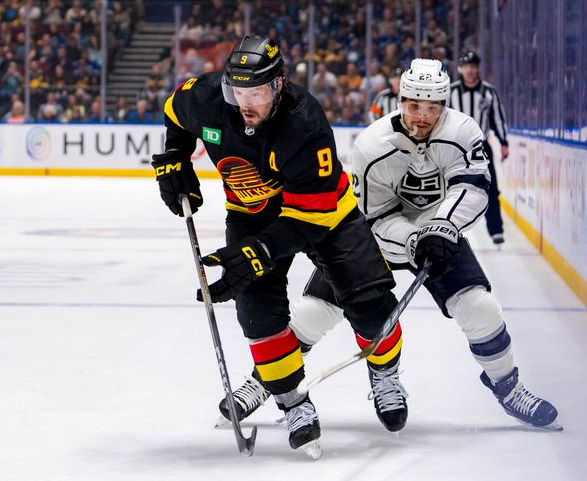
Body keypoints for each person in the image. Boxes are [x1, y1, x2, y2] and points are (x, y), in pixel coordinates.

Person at [221, 59, 561, 432]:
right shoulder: (373, 145)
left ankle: (508, 388)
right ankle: (265, 379)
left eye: (433, 108)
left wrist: (442, 226)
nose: (422, 116)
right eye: (415, 105)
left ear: (444, 105)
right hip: (378, 237)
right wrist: (417, 237)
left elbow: (475, 186)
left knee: (480, 308)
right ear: (401, 100)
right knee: (315, 313)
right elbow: (373, 218)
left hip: (441, 234)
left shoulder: (464, 132)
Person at [152, 36, 408, 458]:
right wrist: (176, 158)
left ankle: (385, 374)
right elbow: (173, 114)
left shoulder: (304, 121)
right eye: (238, 93)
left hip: (326, 214)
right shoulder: (207, 99)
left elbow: (314, 213)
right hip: (251, 213)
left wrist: (262, 251)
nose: (244, 103)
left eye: (255, 93)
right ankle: (294, 403)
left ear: (278, 86)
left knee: (371, 303)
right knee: (257, 314)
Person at [449, 51, 509, 246]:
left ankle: (496, 229)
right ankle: (447, 229)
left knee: (491, 188)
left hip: (481, 146)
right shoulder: (451, 91)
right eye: (466, 66)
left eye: (473, 66)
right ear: (461, 68)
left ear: (478, 68)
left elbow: (497, 118)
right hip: (455, 147)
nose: (470, 70)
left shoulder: (489, 92)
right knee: (448, 188)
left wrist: (504, 142)